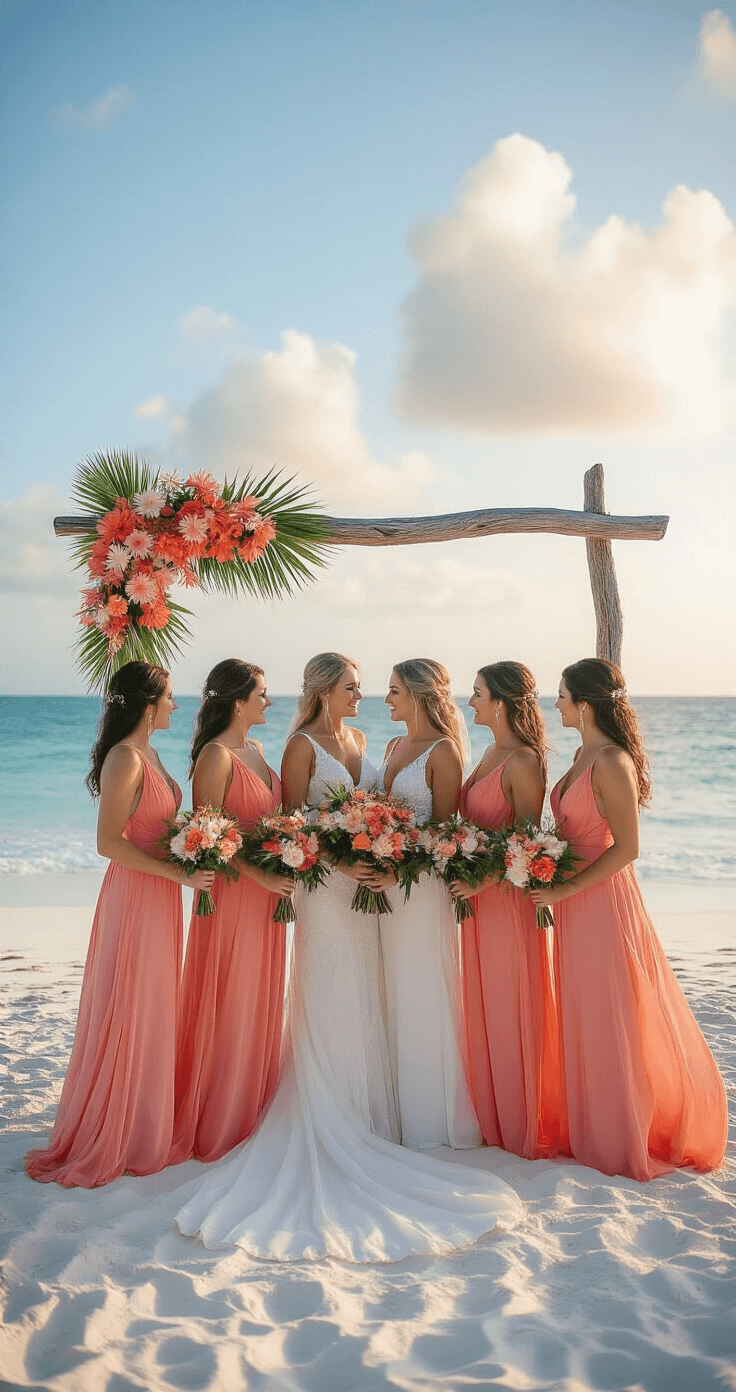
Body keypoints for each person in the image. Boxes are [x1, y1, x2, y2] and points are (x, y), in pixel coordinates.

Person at [174, 653, 520, 1261]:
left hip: (371, 882)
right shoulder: (300, 746)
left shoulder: (362, 742)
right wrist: (342, 860)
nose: (363, 696)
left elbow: (387, 814)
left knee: (369, 989)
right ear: (324, 692)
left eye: (369, 688)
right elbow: (295, 824)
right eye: (353, 688)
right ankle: (335, 1107)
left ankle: (374, 1116)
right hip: (325, 886)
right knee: (333, 986)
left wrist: (378, 851)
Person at [531, 658, 727, 1181]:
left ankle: (621, 1134)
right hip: (573, 899)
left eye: (562, 695)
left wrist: (566, 887)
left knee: (610, 1009)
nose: (556, 704)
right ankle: (593, 1125)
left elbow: (627, 848)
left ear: (585, 705)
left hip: (601, 900)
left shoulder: (612, 761)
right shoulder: (581, 754)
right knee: (583, 1008)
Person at [25, 661, 214, 1188]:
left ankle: (141, 1121)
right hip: (135, 894)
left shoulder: (150, 753)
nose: (176, 704)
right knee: (130, 1000)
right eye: (169, 696)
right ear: (148, 705)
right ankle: (118, 1128)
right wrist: (176, 872)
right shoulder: (125, 758)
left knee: (153, 1001)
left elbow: (156, 826)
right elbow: (108, 842)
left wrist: (196, 845)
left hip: (160, 893)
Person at [168, 660, 293, 1166]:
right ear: (239, 702)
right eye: (262, 694)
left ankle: (250, 1106)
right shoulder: (215, 757)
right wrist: (261, 874)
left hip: (268, 892)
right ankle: (219, 1115)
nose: (269, 701)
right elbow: (209, 836)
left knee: (260, 994)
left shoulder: (257, 749)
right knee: (230, 994)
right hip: (233, 894)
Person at [453, 661, 565, 1159]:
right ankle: (493, 1117)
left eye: (477, 694)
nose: (470, 702)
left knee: (509, 1003)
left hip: (504, 901)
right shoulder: (488, 753)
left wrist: (478, 878)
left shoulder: (522, 761)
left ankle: (521, 1120)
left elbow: (525, 842)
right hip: (477, 899)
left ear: (499, 702)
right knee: (482, 1003)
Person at [378, 658, 481, 1150]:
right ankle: (395, 1110)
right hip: (384, 885)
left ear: (418, 695)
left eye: (394, 691)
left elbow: (442, 834)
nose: (387, 699)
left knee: (420, 984)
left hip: (419, 888)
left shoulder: (444, 751)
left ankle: (429, 1117)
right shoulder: (392, 746)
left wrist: (398, 869)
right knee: (390, 985)